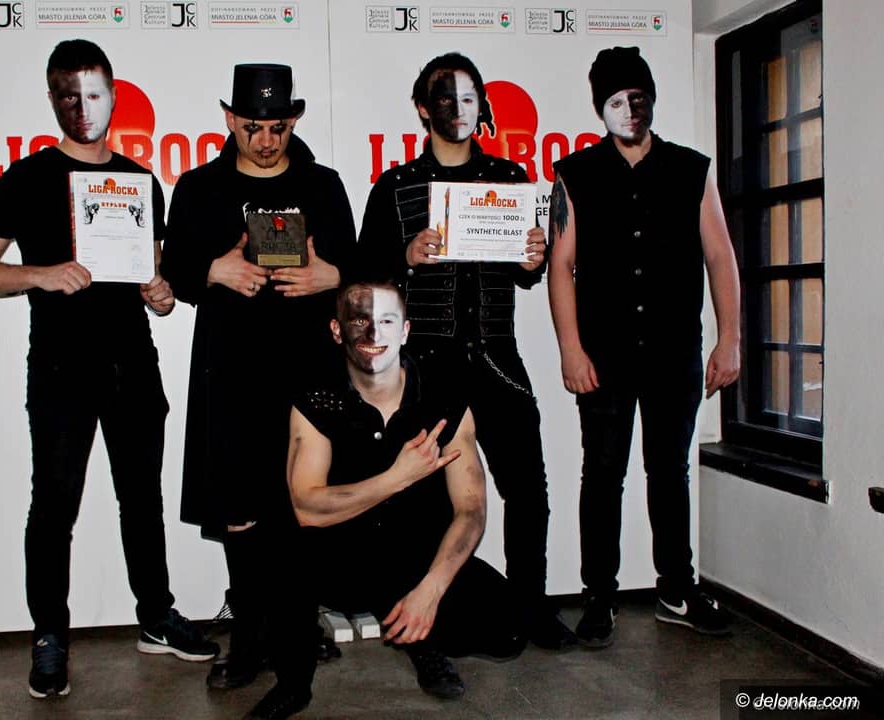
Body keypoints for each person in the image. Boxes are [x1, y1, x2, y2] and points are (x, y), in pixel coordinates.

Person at [0, 39, 218, 699]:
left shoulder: (139, 181)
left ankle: (155, 616)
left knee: (142, 500)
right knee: (53, 507)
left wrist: (160, 293)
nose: (82, 107)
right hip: (60, 370)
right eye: (68, 95)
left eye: (93, 93)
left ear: (113, 96)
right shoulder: (27, 178)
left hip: (133, 366)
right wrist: (39, 274)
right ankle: (49, 635)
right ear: (53, 99)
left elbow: (154, 278)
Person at [356, 52, 575, 649]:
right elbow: (364, 280)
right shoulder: (395, 187)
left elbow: (528, 274)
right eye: (445, 98)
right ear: (423, 108)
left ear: (483, 107)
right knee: (424, 500)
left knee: (527, 491)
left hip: (498, 359)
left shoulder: (510, 178)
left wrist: (532, 257)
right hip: (425, 366)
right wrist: (405, 257)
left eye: (470, 97)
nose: (459, 109)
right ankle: (433, 616)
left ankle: (531, 609)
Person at [160, 63, 356, 694]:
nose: (266, 140)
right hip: (231, 373)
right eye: (252, 127)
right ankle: (248, 639)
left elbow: (357, 268)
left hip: (308, 371)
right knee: (240, 514)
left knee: (303, 503)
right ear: (229, 119)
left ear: (293, 120)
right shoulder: (198, 187)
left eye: (277, 127)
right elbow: (173, 270)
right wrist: (212, 271)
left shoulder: (323, 185)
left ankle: (298, 627)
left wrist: (332, 277)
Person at [248, 279, 524, 719]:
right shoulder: (317, 396)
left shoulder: (444, 395)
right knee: (281, 542)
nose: (373, 334)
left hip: (413, 554)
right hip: (340, 551)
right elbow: (307, 507)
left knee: (506, 630)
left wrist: (430, 592)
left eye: (387, 321)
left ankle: (422, 640)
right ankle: (293, 682)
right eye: (359, 321)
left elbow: (471, 509)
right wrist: (397, 477)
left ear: (406, 330)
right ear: (337, 330)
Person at [547, 46, 741, 648]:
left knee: (670, 472)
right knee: (602, 473)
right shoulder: (574, 174)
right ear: (599, 108)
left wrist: (731, 339)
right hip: (602, 355)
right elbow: (560, 266)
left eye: (638, 97)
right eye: (616, 100)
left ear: (651, 100)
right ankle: (598, 596)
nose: (629, 110)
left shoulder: (691, 169)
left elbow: (720, 256)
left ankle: (677, 589)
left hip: (673, 351)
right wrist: (571, 349)